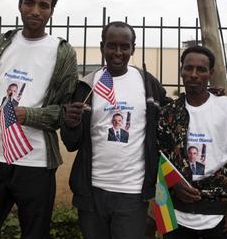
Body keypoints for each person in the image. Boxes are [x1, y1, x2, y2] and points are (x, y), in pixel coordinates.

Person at [0, 0, 78, 239]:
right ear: (19, 5)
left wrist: (29, 114)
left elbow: (63, 111)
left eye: (44, 5)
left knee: (35, 233)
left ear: (51, 10)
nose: (36, 10)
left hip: (35, 160)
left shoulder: (62, 52)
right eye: (30, 3)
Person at [60, 21, 169, 239]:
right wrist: (71, 123)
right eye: (111, 46)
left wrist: (208, 95)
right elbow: (72, 143)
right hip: (92, 191)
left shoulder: (147, 83)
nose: (117, 52)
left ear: (133, 49)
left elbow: (171, 116)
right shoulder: (87, 86)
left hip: (133, 192)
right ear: (102, 47)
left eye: (124, 46)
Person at [157, 46, 227, 238]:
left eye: (201, 70)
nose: (194, 74)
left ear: (210, 73)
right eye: (188, 68)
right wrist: (174, 183)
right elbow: (158, 157)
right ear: (181, 71)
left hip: (217, 213)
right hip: (175, 213)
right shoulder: (168, 113)